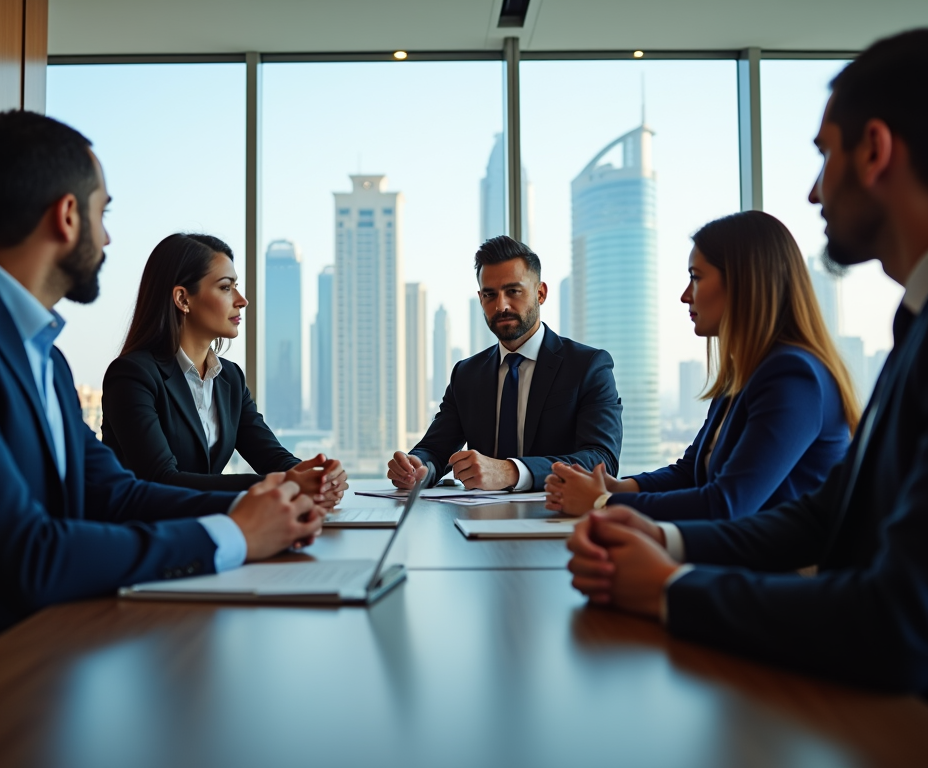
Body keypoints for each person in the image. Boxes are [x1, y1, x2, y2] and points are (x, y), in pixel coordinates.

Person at [566, 28, 928, 694]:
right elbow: (827, 516)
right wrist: (660, 541)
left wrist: (672, 587)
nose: (816, 193)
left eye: (825, 156)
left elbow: (901, 618)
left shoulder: (796, 373)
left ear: (874, 150)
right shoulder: (911, 326)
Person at [0, 111, 323, 666]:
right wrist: (234, 536)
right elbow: (29, 554)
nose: (107, 236)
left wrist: (258, 506)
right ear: (68, 215)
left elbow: (115, 493)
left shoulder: (43, 355)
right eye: (103, 213)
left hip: (50, 645)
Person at [544, 211, 859, 522]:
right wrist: (621, 487)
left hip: (787, 569)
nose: (684, 296)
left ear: (742, 282)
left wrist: (603, 502)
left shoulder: (793, 377)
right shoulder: (745, 374)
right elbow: (691, 472)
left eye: (696, 277)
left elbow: (726, 505)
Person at [101, 233, 347, 506]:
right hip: (146, 535)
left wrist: (317, 476)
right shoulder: (132, 376)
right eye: (226, 287)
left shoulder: (229, 378)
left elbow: (271, 458)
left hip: (211, 529)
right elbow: (160, 479)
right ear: (183, 299)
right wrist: (284, 484)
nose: (242, 300)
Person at [388, 236, 623, 492]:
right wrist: (417, 467)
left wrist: (511, 471)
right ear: (480, 299)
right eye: (490, 294)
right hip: (476, 522)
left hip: (556, 518)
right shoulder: (467, 374)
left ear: (540, 293)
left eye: (513, 291)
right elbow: (435, 449)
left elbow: (602, 461)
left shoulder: (588, 366)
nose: (501, 306)